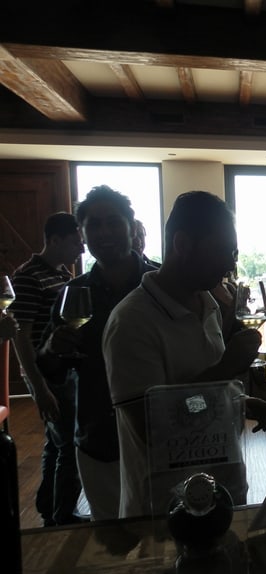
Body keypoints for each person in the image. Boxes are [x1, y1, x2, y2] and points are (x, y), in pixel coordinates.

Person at [103, 190, 266, 518]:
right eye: (223, 251)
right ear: (182, 244)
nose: (231, 263)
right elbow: (151, 427)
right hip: (165, 511)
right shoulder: (132, 321)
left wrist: (238, 402)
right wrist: (226, 369)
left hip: (223, 495)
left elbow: (195, 393)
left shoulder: (208, 304)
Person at [37, 186, 157, 521]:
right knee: (112, 536)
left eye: (114, 222)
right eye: (94, 225)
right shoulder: (73, 293)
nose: (104, 232)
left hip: (159, 435)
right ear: (83, 234)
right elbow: (49, 367)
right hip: (98, 436)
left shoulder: (160, 285)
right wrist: (53, 348)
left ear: (132, 227)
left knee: (166, 532)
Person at [9, 212, 84, 526]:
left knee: (56, 440)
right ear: (54, 240)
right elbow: (21, 337)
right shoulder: (28, 277)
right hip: (45, 373)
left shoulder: (62, 273)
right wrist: (39, 387)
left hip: (61, 370)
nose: (82, 248)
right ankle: (62, 517)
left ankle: (47, 507)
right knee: (69, 442)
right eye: (76, 241)